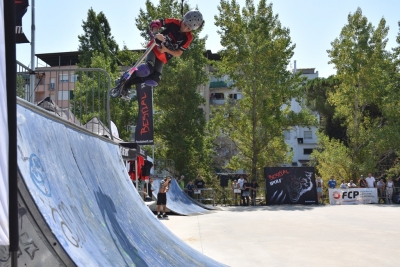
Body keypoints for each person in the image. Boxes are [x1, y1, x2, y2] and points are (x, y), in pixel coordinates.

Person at [119, 10, 204, 99]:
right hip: (154, 48)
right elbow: (155, 23)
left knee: (153, 80)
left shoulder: (188, 37)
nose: (185, 28)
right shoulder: (174, 22)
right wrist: (156, 34)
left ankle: (127, 84)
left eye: (189, 28)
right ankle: (124, 77)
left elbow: (179, 53)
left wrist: (166, 50)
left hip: (163, 56)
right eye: (185, 24)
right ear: (184, 19)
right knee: (147, 69)